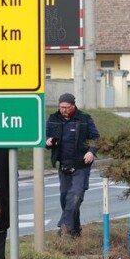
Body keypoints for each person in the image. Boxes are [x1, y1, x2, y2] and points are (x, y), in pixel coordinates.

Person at [45, 92, 99, 237]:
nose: (63, 110)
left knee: (75, 196)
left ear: (73, 105)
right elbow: (45, 135)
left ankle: (64, 227)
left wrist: (91, 152)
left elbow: (95, 138)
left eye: (67, 107)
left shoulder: (84, 119)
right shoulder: (53, 118)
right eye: (61, 107)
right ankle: (75, 230)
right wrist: (47, 141)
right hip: (63, 166)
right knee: (65, 199)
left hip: (81, 166)